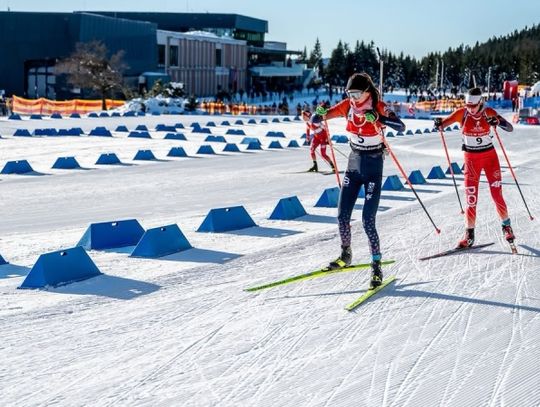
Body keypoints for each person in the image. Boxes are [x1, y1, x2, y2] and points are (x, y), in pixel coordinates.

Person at [311, 73, 405, 289]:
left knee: (367, 220)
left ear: (366, 92)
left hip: (373, 166)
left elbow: (400, 127)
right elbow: (319, 119)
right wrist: (319, 114)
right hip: (354, 164)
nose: (353, 97)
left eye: (356, 93)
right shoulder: (347, 106)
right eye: (349, 93)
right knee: (342, 215)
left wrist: (379, 119)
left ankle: (376, 267)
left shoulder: (378, 105)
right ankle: (346, 254)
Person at [434, 87, 515, 249]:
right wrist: (438, 123)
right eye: (468, 105)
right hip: (471, 160)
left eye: (473, 106)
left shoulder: (488, 112)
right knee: (471, 199)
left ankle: (507, 227)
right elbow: (442, 125)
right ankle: (469, 236)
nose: (470, 109)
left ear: (481, 103)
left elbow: (509, 127)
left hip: (490, 158)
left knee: (496, 195)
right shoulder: (461, 113)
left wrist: (497, 121)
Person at [302, 102, 335, 172]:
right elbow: (307, 129)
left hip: (323, 138)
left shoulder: (314, 121)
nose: (303, 118)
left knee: (323, 154)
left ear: (307, 116)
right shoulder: (307, 122)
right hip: (316, 137)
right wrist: (307, 137)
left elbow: (325, 128)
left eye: (303, 117)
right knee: (312, 150)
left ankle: (333, 166)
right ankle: (315, 166)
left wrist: (328, 139)